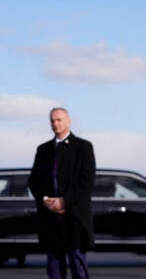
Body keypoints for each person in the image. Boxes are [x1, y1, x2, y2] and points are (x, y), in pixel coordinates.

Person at [28, 107, 96, 279]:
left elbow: (86, 182)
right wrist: (45, 200)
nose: (55, 124)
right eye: (52, 120)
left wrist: (64, 201)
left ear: (68, 121)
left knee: (78, 267)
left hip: (74, 217)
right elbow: (34, 180)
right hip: (50, 219)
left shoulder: (83, 147)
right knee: (54, 269)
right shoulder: (43, 150)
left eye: (59, 120)